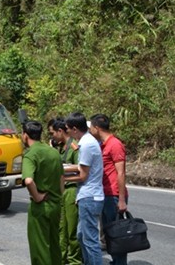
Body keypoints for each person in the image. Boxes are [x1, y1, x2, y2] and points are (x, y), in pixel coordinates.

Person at [21, 120, 64, 265]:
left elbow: (28, 180)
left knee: (40, 248)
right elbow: (61, 178)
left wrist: (37, 196)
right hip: (56, 204)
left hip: (41, 207)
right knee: (54, 245)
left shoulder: (30, 155)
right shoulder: (53, 152)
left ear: (25, 135)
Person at [65, 111, 104, 265]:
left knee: (90, 241)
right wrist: (64, 168)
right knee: (82, 235)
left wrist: (63, 178)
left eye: (68, 129)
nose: (67, 133)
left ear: (75, 129)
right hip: (87, 196)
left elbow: (82, 175)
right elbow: (82, 166)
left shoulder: (87, 144)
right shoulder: (87, 141)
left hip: (90, 197)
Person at [90, 113, 128, 265]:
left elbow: (121, 173)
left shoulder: (115, 144)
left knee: (116, 234)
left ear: (97, 128)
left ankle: (120, 263)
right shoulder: (102, 144)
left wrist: (121, 199)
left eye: (91, 127)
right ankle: (116, 261)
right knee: (108, 233)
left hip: (113, 195)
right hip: (104, 194)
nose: (90, 131)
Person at [51, 119, 83, 265]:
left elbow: (80, 167)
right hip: (62, 191)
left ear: (60, 131)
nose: (52, 137)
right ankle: (61, 258)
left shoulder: (74, 147)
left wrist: (62, 168)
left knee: (72, 230)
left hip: (72, 190)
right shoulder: (60, 147)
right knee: (61, 228)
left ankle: (75, 260)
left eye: (52, 133)